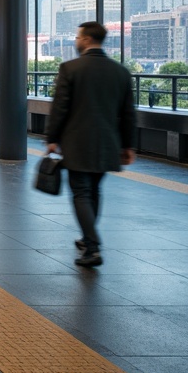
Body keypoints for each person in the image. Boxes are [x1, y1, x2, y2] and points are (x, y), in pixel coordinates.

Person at [45, 22, 136, 268]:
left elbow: (59, 108)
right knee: (94, 191)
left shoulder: (70, 69)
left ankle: (93, 247)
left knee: (81, 193)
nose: (76, 40)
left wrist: (52, 138)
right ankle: (87, 238)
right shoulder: (120, 72)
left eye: (77, 36)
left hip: (77, 142)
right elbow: (128, 113)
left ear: (85, 39)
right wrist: (128, 145)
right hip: (108, 143)